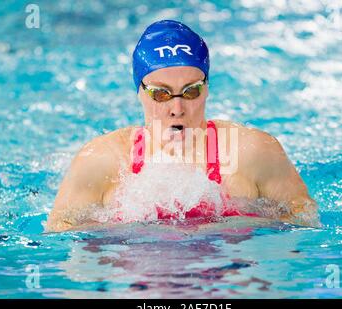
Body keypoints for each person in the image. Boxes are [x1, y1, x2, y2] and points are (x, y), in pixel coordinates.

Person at [46, 20, 318, 232]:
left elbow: (305, 221)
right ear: (139, 92)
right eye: (161, 94)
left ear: (207, 88)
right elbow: (60, 235)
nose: (177, 108)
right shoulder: (102, 161)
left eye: (190, 92)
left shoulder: (253, 152)